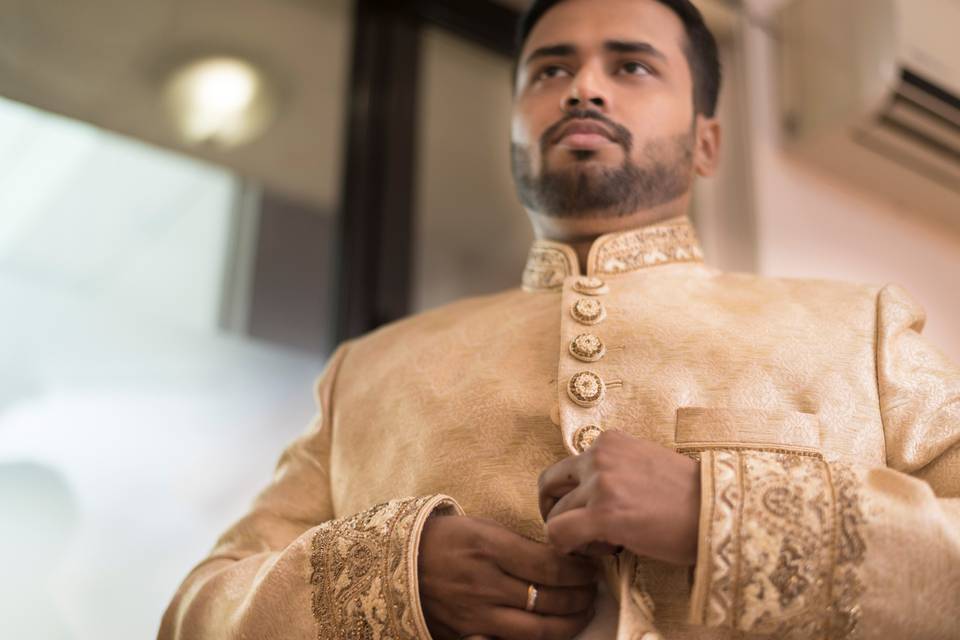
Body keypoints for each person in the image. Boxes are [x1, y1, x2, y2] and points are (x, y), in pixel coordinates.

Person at [158, 0, 960, 638]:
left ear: (707, 142)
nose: (584, 87)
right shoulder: (367, 374)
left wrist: (722, 511)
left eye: (632, 65)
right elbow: (198, 612)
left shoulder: (859, 332)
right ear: (514, 135)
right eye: (550, 69)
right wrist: (399, 575)